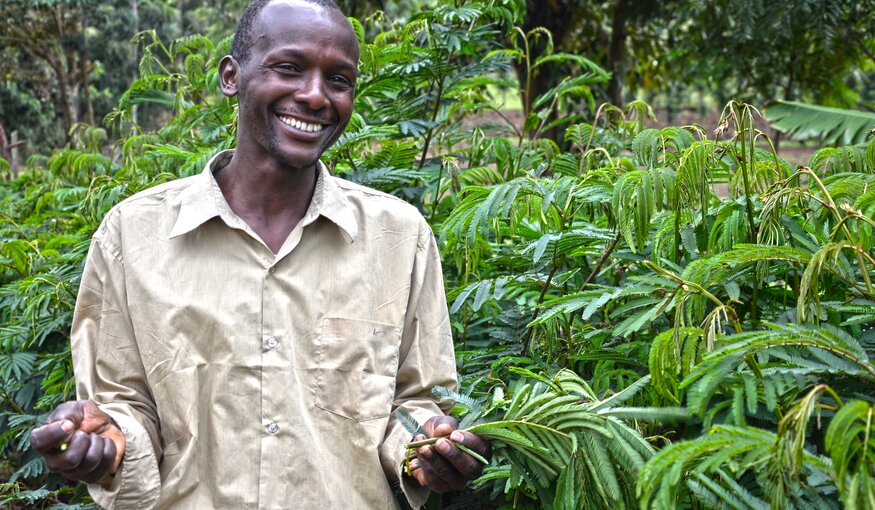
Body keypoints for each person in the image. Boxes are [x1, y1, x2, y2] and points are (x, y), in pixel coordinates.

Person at [28, 0, 490, 508]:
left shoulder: (401, 239)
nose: (315, 96)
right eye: (289, 68)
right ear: (232, 76)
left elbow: (417, 402)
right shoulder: (131, 237)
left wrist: (427, 450)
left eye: (338, 79)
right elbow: (122, 406)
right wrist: (107, 444)